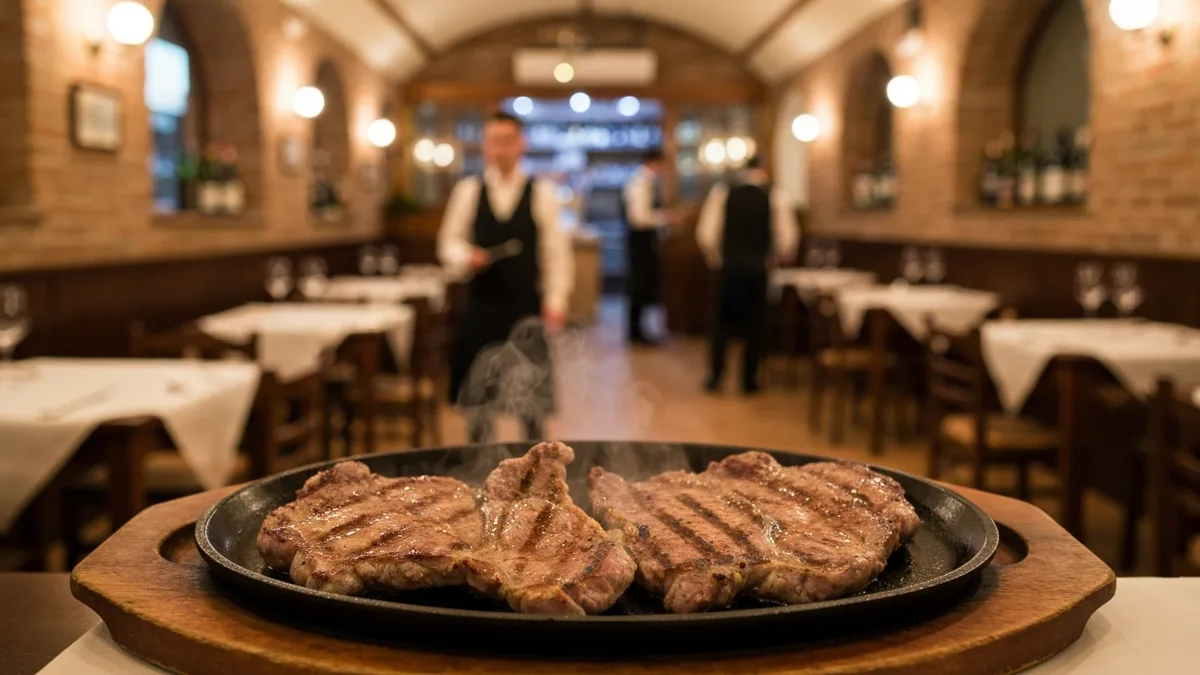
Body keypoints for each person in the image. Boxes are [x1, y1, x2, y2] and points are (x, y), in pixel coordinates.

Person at [438, 111, 574, 443]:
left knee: (533, 405)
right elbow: (447, 243)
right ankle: (479, 469)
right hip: (481, 304)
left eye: (506, 141)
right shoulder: (469, 190)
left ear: (520, 144)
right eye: (493, 142)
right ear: (485, 147)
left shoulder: (541, 192)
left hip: (525, 305)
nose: (499, 149)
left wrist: (556, 301)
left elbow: (557, 253)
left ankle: (536, 474)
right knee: (477, 400)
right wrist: (466, 256)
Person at [696, 155, 800, 395]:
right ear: (763, 169)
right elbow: (787, 237)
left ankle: (715, 377)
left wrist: (714, 257)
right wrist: (778, 256)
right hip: (758, 269)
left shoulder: (723, 192)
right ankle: (749, 380)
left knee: (722, 324)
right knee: (755, 325)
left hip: (729, 268)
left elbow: (707, 232)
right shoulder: (776, 195)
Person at [621, 150, 674, 346]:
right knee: (639, 285)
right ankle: (636, 333)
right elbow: (639, 217)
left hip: (643, 241)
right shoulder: (641, 183)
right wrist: (665, 218)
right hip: (640, 241)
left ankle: (640, 330)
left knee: (643, 285)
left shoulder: (644, 182)